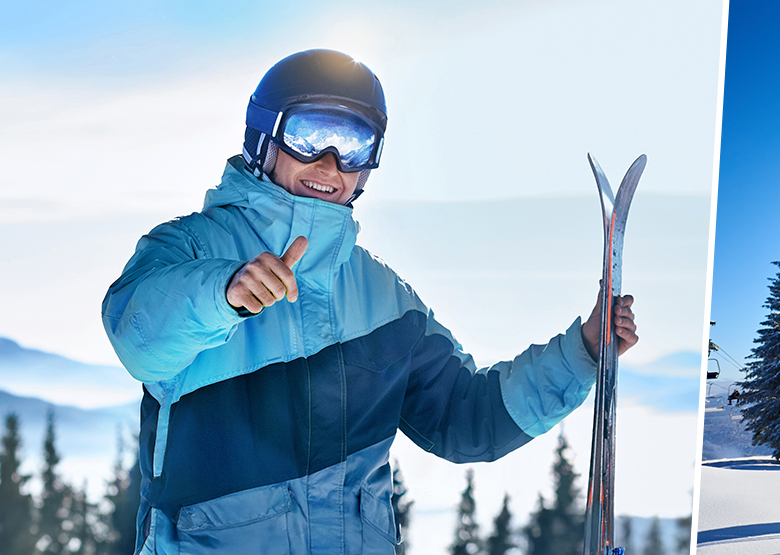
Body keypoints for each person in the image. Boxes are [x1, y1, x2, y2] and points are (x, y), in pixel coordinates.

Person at [100, 49, 638, 554]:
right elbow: (138, 336)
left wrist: (583, 352)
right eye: (310, 135)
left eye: (354, 143)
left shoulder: (384, 298)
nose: (330, 163)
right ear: (264, 138)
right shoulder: (191, 247)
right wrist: (222, 293)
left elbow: (467, 418)